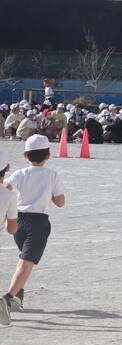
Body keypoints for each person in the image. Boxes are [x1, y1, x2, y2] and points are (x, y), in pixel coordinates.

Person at [0, 135, 65, 326]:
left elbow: (6, 187)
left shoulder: (20, 174)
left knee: (24, 260)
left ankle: (18, 294)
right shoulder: (52, 175)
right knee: (26, 263)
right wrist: (48, 195)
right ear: (48, 156)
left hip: (19, 220)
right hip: (38, 223)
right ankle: (8, 298)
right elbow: (60, 202)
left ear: (25, 155)